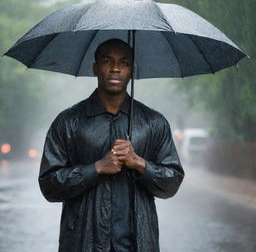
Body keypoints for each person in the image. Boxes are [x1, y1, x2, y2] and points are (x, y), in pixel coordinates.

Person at [39, 38, 184, 252]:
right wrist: (95, 168)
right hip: (83, 243)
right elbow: (49, 186)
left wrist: (140, 163)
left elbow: (171, 183)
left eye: (123, 63)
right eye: (107, 61)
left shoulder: (153, 123)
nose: (115, 68)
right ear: (95, 68)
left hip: (137, 245)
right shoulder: (69, 122)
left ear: (132, 70)